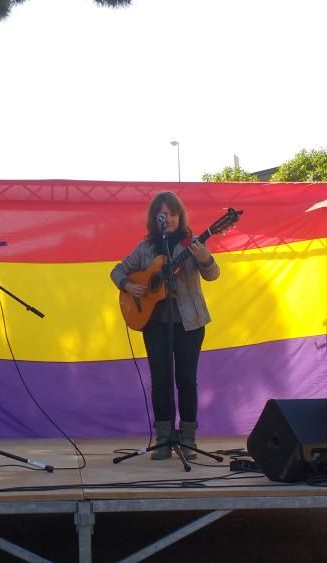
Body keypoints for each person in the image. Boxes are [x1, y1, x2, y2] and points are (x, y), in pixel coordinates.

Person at [110, 191, 220, 460]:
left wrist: (205, 257)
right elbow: (117, 271)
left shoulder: (191, 243)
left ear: (180, 216)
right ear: (154, 219)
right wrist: (128, 285)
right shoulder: (146, 248)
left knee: (186, 381)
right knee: (160, 381)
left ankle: (187, 438)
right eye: (163, 214)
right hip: (154, 323)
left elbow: (213, 274)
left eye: (172, 214)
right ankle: (163, 438)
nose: (168, 219)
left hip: (190, 323)